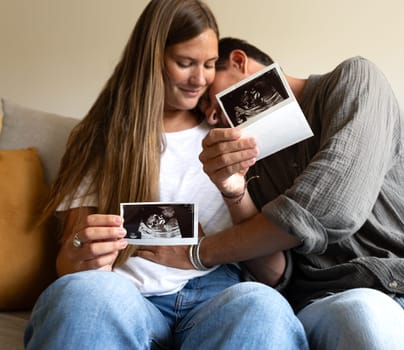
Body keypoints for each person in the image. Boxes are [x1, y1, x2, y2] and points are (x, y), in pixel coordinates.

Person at [169, 37, 404, 349]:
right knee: (363, 314)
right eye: (205, 116)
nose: (213, 118)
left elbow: (333, 209)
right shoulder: (251, 165)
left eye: (212, 102)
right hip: (340, 299)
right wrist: (234, 192)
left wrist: (201, 252)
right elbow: (277, 274)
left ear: (238, 61)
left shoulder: (353, 80)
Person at [23, 4, 308, 350]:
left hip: (218, 292)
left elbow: (274, 267)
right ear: (151, 59)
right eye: (185, 63)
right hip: (128, 295)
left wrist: (234, 192)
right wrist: (84, 249)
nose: (199, 79)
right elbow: (70, 262)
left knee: (263, 307)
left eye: (208, 64)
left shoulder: (233, 125)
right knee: (81, 294)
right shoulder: (101, 136)